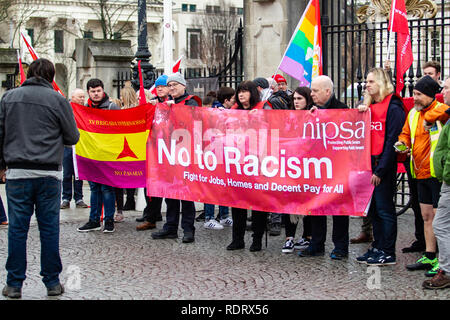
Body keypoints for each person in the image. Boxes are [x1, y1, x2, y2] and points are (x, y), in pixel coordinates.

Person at [0, 58, 79, 298]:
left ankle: (14, 284)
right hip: (48, 173)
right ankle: (52, 282)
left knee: (17, 229)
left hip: (17, 172)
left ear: (29, 74)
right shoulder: (57, 100)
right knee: (49, 229)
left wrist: (1, 166)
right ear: (51, 76)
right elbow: (72, 136)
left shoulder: (8, 98)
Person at [395, 75, 449, 276]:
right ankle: (430, 254)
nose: (414, 98)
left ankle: (443, 260)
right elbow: (405, 134)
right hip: (419, 172)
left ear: (429, 95)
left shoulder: (440, 110)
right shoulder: (413, 114)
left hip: (436, 173)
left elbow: (443, 112)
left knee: (438, 219)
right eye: (414, 93)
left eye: (418, 94)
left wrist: (430, 116)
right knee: (426, 216)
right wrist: (402, 144)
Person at [354, 68, 405, 266]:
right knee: (373, 210)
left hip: (381, 165)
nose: (367, 85)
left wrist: (380, 170)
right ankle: (378, 246)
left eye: (371, 81)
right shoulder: (370, 106)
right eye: (367, 81)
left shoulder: (393, 107)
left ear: (382, 83)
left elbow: (393, 140)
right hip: (369, 164)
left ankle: (388, 251)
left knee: (385, 209)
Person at [297, 75, 350, 260]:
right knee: (317, 207)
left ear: (328, 91)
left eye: (315, 91)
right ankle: (316, 244)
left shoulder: (343, 109)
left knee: (339, 209)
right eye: (311, 90)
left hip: (337, 167)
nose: (311, 94)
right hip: (318, 167)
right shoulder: (312, 111)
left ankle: (341, 246)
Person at [151, 73, 200, 243]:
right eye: (169, 85)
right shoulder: (165, 104)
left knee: (186, 194)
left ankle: (188, 229)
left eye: (175, 85)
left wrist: (174, 110)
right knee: (170, 193)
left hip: (185, 153)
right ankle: (170, 227)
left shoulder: (191, 102)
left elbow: (194, 121)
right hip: (169, 153)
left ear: (183, 86)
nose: (171, 88)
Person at [227, 80, 271, 252]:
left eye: (245, 91)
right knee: (237, 203)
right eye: (239, 92)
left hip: (258, 161)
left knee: (259, 203)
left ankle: (257, 238)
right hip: (238, 162)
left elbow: (274, 129)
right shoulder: (234, 111)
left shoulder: (264, 108)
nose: (241, 95)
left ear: (253, 93)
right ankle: (237, 238)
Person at [77, 78, 120, 234]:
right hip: (91, 155)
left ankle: (109, 221)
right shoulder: (85, 109)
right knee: (94, 189)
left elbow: (120, 131)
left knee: (107, 189)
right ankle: (94, 220)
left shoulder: (111, 107)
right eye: (93, 91)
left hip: (107, 156)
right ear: (88, 92)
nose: (96, 94)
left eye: (98, 91)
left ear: (103, 90)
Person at [423, 77, 450, 289]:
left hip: (447, 179)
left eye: (447, 88)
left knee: (440, 224)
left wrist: (446, 173)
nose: (443, 91)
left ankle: (447, 271)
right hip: (438, 175)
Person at [281, 87, 314, 253]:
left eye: (300, 99)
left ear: (307, 100)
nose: (296, 101)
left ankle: (307, 236)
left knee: (307, 202)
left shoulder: (314, 117)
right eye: (294, 98)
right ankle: (289, 238)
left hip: (308, 167)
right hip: (290, 166)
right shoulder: (288, 117)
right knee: (289, 203)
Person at [136, 74, 168, 230]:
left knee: (166, 187)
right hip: (153, 150)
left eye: (163, 86)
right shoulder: (153, 104)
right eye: (158, 86)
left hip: (168, 151)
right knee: (150, 185)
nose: (160, 88)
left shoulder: (173, 104)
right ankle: (151, 216)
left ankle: (160, 217)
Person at [201, 91, 233, 230]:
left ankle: (224, 215)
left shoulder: (222, 113)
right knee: (211, 186)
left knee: (223, 186)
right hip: (210, 154)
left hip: (222, 153)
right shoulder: (208, 116)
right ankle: (209, 217)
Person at [60, 88, 88, 210]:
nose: (82, 99)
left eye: (83, 97)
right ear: (73, 97)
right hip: (68, 146)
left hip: (81, 146)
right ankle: (66, 198)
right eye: (80, 97)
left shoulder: (86, 109)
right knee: (67, 174)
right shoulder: (67, 109)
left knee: (79, 174)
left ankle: (79, 198)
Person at [114, 86, 139, 222]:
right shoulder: (137, 109)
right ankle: (129, 200)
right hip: (133, 146)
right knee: (131, 175)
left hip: (125, 145)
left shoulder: (123, 111)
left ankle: (125, 203)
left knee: (121, 177)